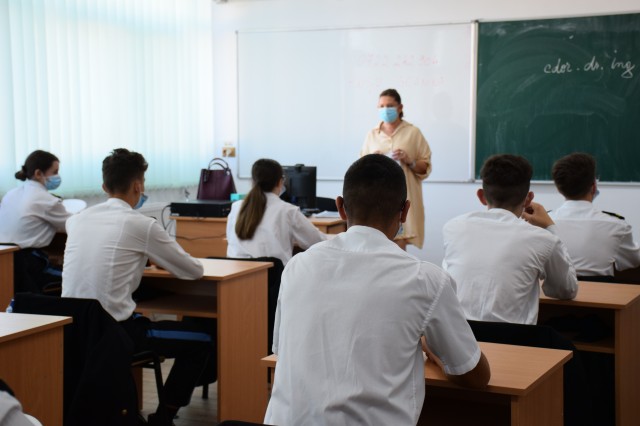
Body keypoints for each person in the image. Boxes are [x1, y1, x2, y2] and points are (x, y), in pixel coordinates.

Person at [264, 154, 490, 425]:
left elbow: (282, 350)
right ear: (405, 211)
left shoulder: (296, 267)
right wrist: (431, 349)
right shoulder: (426, 279)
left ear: (341, 207)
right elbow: (475, 375)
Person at [61, 148, 213, 426]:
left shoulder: (76, 220)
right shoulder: (141, 224)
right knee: (201, 341)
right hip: (113, 333)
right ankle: (163, 419)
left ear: (104, 186)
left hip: (72, 331)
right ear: (138, 186)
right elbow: (193, 271)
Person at [442, 154, 578, 325]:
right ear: (528, 199)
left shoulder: (453, 227)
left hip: (457, 334)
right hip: (511, 337)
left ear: (481, 196)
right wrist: (550, 227)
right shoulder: (543, 238)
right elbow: (565, 290)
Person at [361, 88, 432, 250]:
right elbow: (361, 170)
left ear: (400, 108)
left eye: (389, 105)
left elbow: (425, 167)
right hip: (376, 198)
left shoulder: (413, 132)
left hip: (403, 198)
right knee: (376, 247)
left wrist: (410, 161)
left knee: (399, 248)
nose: (385, 109)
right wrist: (372, 159)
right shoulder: (372, 135)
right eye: (381, 106)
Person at [549, 152, 640, 277]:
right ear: (593, 187)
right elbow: (633, 261)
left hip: (552, 290)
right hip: (603, 290)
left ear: (558, 189)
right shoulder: (617, 225)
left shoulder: (543, 223)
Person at [226, 158, 329, 266]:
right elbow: (317, 241)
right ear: (280, 182)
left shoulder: (236, 207)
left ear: (252, 181)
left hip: (237, 273)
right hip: (274, 275)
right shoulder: (288, 211)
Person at [0, 150, 72, 293]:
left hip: (5, 261)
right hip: (27, 263)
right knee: (75, 277)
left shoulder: (11, 194)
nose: (57, 176)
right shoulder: (46, 200)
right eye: (55, 172)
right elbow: (72, 224)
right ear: (38, 173)